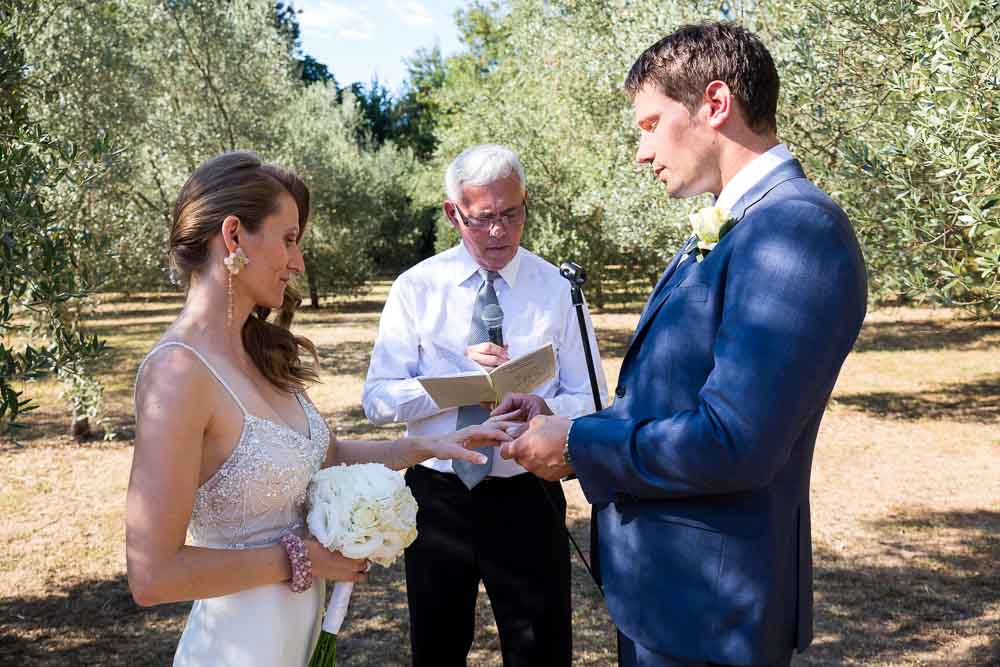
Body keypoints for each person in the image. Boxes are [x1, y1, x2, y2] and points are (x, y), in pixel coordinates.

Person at [498, 22, 868, 667]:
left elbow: (736, 444)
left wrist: (580, 446)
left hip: (714, 612)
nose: (642, 152)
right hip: (665, 595)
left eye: (649, 124)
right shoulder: (736, 227)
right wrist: (567, 421)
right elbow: (674, 396)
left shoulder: (795, 231)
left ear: (715, 105)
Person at [126, 151, 514, 667]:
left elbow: (324, 454)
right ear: (234, 236)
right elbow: (153, 575)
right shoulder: (177, 373)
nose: (299, 261)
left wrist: (427, 446)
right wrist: (304, 559)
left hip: (299, 641)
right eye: (288, 239)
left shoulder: (260, 352)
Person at [362, 143, 608, 667]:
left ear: (526, 204)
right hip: (436, 497)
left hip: (527, 497)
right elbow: (378, 401)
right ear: (454, 213)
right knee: (437, 648)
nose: (498, 232)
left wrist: (544, 409)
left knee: (540, 651)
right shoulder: (416, 289)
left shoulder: (560, 289)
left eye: (511, 214)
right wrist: (460, 382)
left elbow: (593, 399)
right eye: (482, 219)